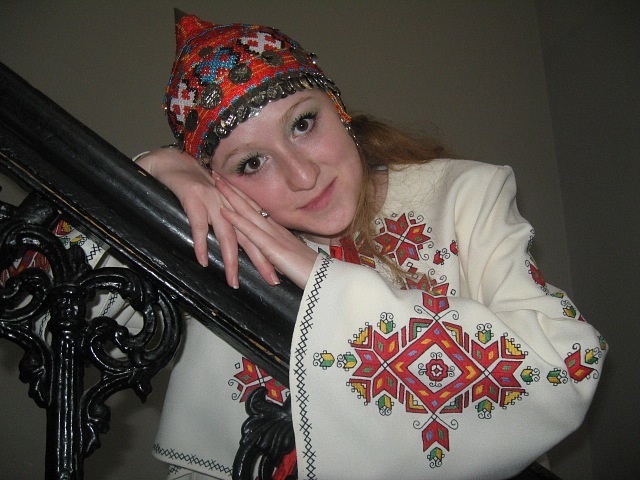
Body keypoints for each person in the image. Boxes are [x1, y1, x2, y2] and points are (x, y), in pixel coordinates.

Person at [138, 12, 607, 480]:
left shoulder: (466, 195)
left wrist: (321, 279)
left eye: (302, 124)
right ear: (219, 185)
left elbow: (569, 366)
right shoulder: (224, 250)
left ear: (337, 107)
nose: (304, 176)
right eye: (252, 163)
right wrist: (151, 175)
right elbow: (109, 321)